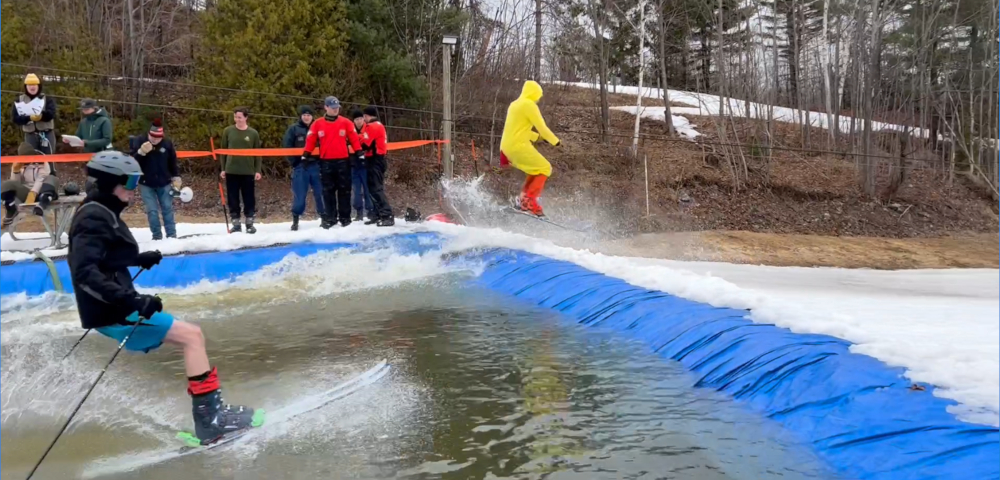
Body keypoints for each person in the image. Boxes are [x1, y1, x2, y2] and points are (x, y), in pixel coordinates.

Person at [68, 151, 258, 444]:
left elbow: (103, 256)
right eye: (129, 182)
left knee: (191, 336)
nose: (133, 190)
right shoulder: (93, 215)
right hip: (115, 311)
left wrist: (134, 258)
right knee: (192, 337)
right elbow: (84, 271)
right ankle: (211, 420)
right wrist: (133, 301)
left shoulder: (99, 208)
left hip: (114, 306)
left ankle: (211, 415)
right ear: (111, 182)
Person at [499, 80, 561, 218]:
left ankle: (523, 199)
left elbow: (519, 129)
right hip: (518, 146)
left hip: (506, 148)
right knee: (545, 168)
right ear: (534, 93)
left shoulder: (514, 105)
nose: (538, 99)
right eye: (538, 95)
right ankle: (529, 202)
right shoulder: (529, 105)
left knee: (536, 169)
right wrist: (555, 141)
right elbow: (542, 127)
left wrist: (537, 138)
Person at [301, 97, 363, 229]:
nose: (336, 110)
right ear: (326, 107)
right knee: (328, 191)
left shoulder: (346, 122)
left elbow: (354, 138)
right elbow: (311, 139)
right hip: (326, 161)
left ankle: (345, 218)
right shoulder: (317, 124)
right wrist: (306, 154)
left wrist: (359, 152)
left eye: (337, 108)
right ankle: (330, 218)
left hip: (343, 161)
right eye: (333, 108)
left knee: (344, 190)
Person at [130, 120, 181, 240]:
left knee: (167, 209)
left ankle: (171, 235)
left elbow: (172, 161)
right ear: (149, 134)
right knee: (152, 211)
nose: (155, 140)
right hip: (146, 183)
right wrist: (141, 152)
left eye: (158, 138)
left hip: (164, 182)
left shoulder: (167, 144)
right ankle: (157, 236)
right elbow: (132, 162)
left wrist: (176, 176)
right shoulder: (140, 141)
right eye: (152, 137)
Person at [219, 107, 262, 234]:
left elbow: (258, 153)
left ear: (245, 117)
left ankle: (249, 222)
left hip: (248, 171)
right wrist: (223, 168)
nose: (237, 120)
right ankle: (236, 222)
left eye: (239, 117)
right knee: (233, 198)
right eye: (235, 117)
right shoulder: (228, 131)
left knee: (249, 198)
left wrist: (257, 170)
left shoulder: (253, 133)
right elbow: (223, 151)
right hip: (231, 170)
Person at [283, 105, 323, 231]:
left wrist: (322, 163)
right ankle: (295, 219)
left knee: (321, 193)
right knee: (299, 195)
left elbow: (324, 145)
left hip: (316, 166)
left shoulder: (318, 128)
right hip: (300, 167)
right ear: (301, 116)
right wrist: (294, 162)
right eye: (304, 115)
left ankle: (324, 217)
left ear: (312, 117)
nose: (307, 117)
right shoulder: (293, 129)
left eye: (309, 115)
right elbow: (287, 146)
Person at [2, 143, 60, 226]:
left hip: (41, 190)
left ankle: (43, 202)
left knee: (52, 178)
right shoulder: (19, 163)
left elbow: (41, 178)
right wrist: (16, 171)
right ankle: (10, 208)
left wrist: (33, 193)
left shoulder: (42, 162)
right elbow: (16, 183)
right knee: (6, 184)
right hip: (26, 191)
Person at [361, 106, 394, 226]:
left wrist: (353, 144)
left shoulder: (371, 126)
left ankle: (387, 215)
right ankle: (377, 214)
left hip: (374, 160)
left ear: (366, 116)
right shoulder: (379, 125)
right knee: (373, 189)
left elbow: (366, 144)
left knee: (376, 189)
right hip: (378, 160)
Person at [11, 73, 58, 155]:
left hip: (47, 134)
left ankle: (51, 168)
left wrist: (41, 116)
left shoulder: (47, 98)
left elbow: (52, 114)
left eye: (34, 84)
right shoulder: (19, 100)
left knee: (48, 159)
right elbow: (15, 118)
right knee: (31, 160)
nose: (32, 87)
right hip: (30, 135)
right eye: (29, 85)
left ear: (38, 86)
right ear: (26, 86)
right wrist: (29, 118)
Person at [349, 109, 373, 223]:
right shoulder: (350, 131)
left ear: (363, 119)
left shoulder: (368, 129)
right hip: (354, 164)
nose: (358, 121)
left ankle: (370, 211)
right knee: (356, 190)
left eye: (360, 119)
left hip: (366, 164)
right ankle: (359, 212)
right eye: (356, 119)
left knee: (367, 189)